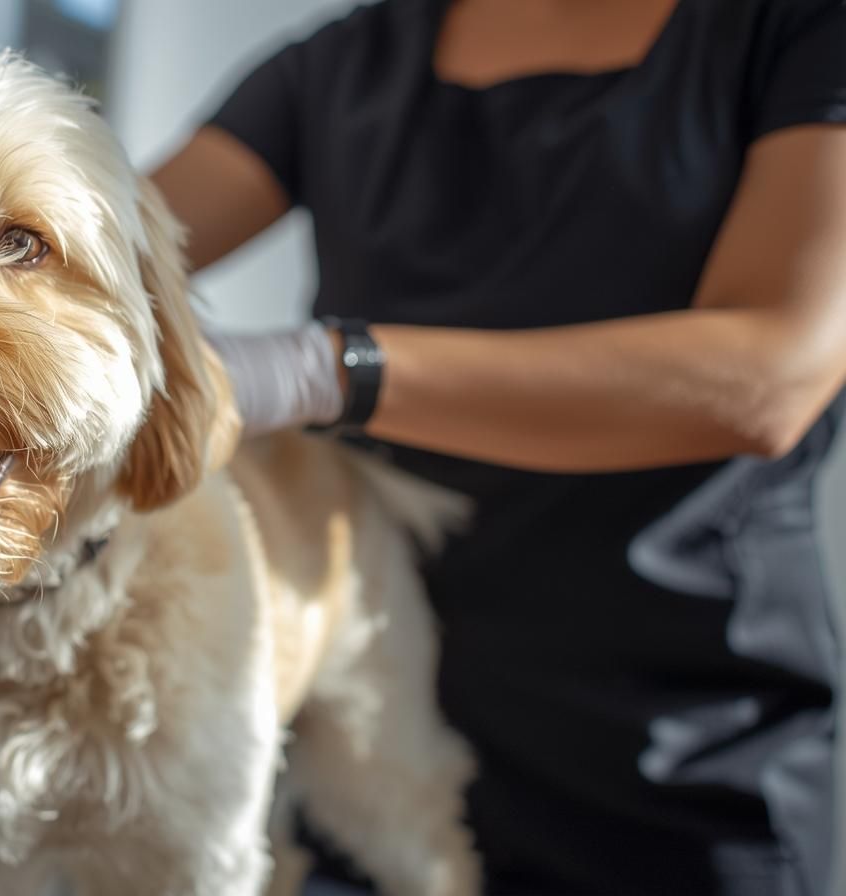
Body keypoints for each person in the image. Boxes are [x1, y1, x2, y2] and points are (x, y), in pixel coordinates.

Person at [150, 0, 845, 893]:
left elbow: (770, 377)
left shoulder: (792, 34)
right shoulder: (344, 64)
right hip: (382, 737)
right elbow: (95, 244)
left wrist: (324, 372)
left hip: (678, 753)